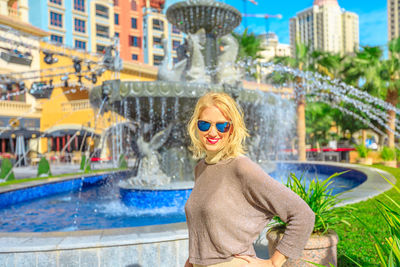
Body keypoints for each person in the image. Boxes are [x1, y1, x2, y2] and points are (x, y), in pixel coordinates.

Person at [184, 92, 315, 267]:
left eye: (222, 126)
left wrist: (273, 263)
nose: (212, 132)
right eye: (204, 124)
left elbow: (302, 214)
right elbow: (202, 231)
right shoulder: (201, 168)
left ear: (232, 129)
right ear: (196, 126)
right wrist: (192, 261)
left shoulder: (241, 167)